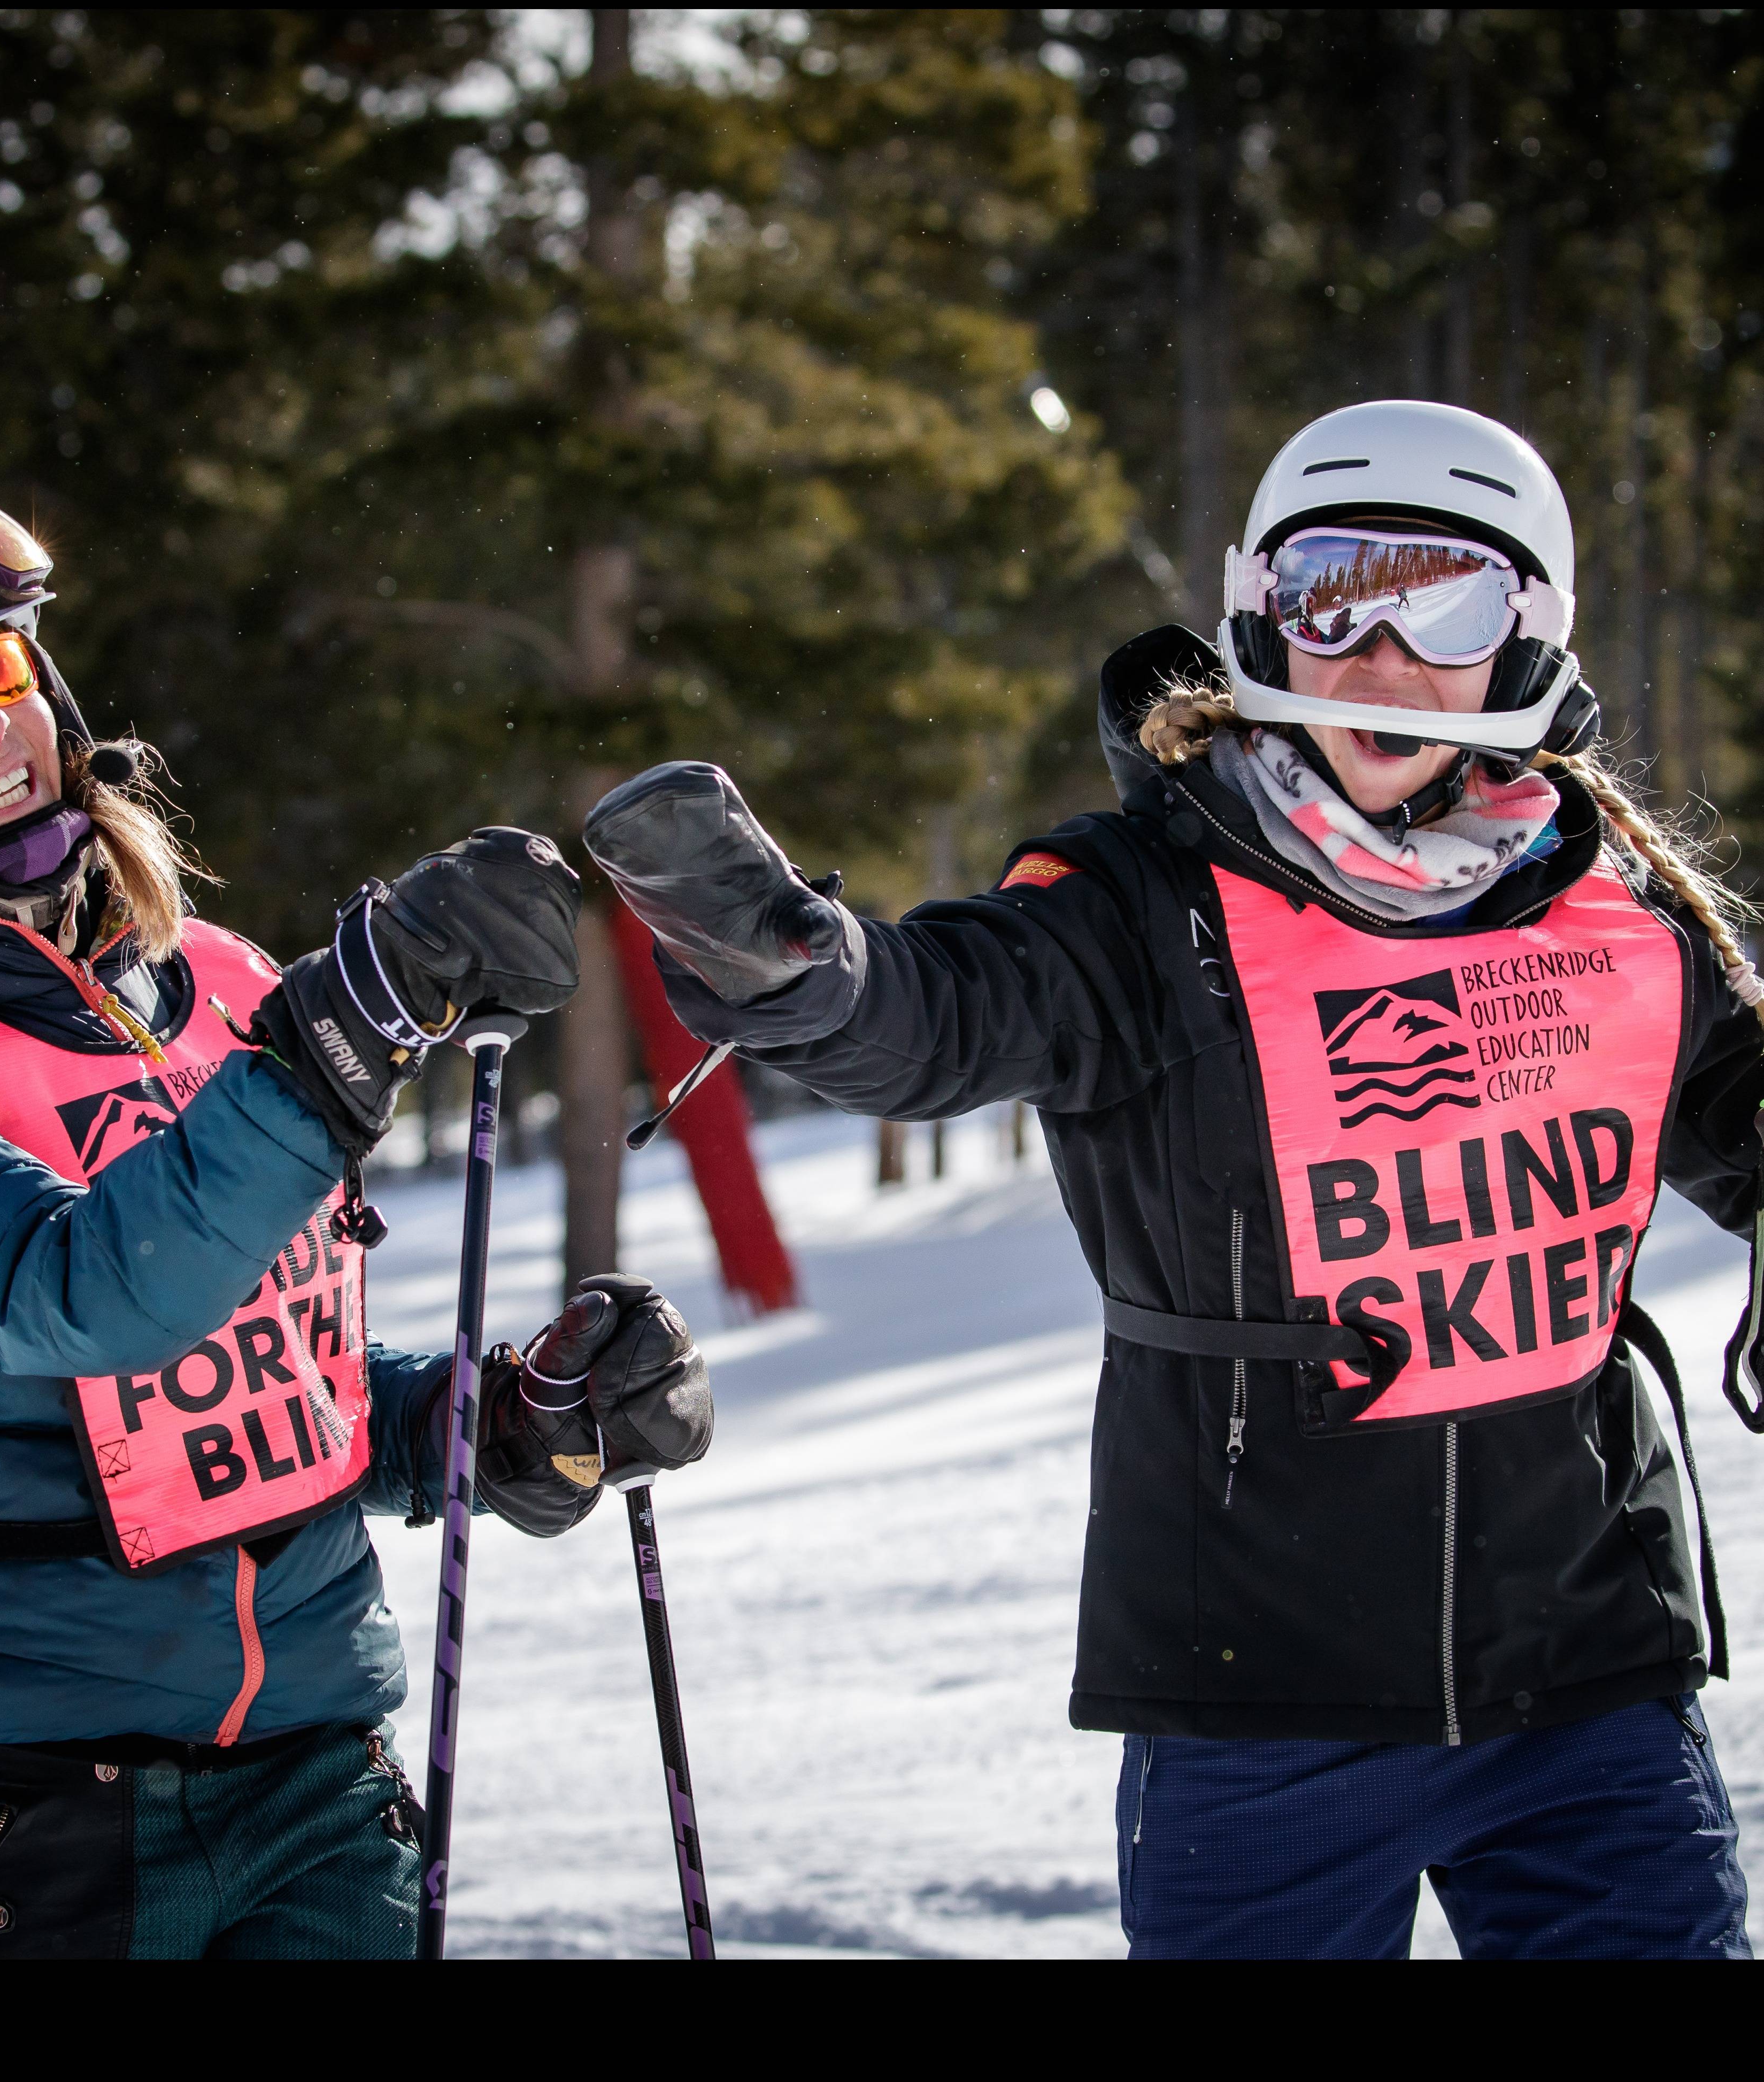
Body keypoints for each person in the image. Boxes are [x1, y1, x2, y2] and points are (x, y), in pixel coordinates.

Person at [587, 400, 1763, 1960]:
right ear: (1265, 611)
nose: (1387, 656)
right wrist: (802, 974)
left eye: (1452, 603)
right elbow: (938, 1019)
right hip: (1256, 1696)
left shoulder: (1614, 920)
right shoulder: (1148, 906)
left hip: (1595, 1680)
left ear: (1531, 634)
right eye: (1341, 594)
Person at [0, 487, 713, 1959]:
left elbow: (263, 1392)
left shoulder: (215, 982)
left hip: (319, 1801)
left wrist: (497, 1425)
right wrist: (342, 1036)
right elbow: (72, 1295)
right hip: (41, 1840)